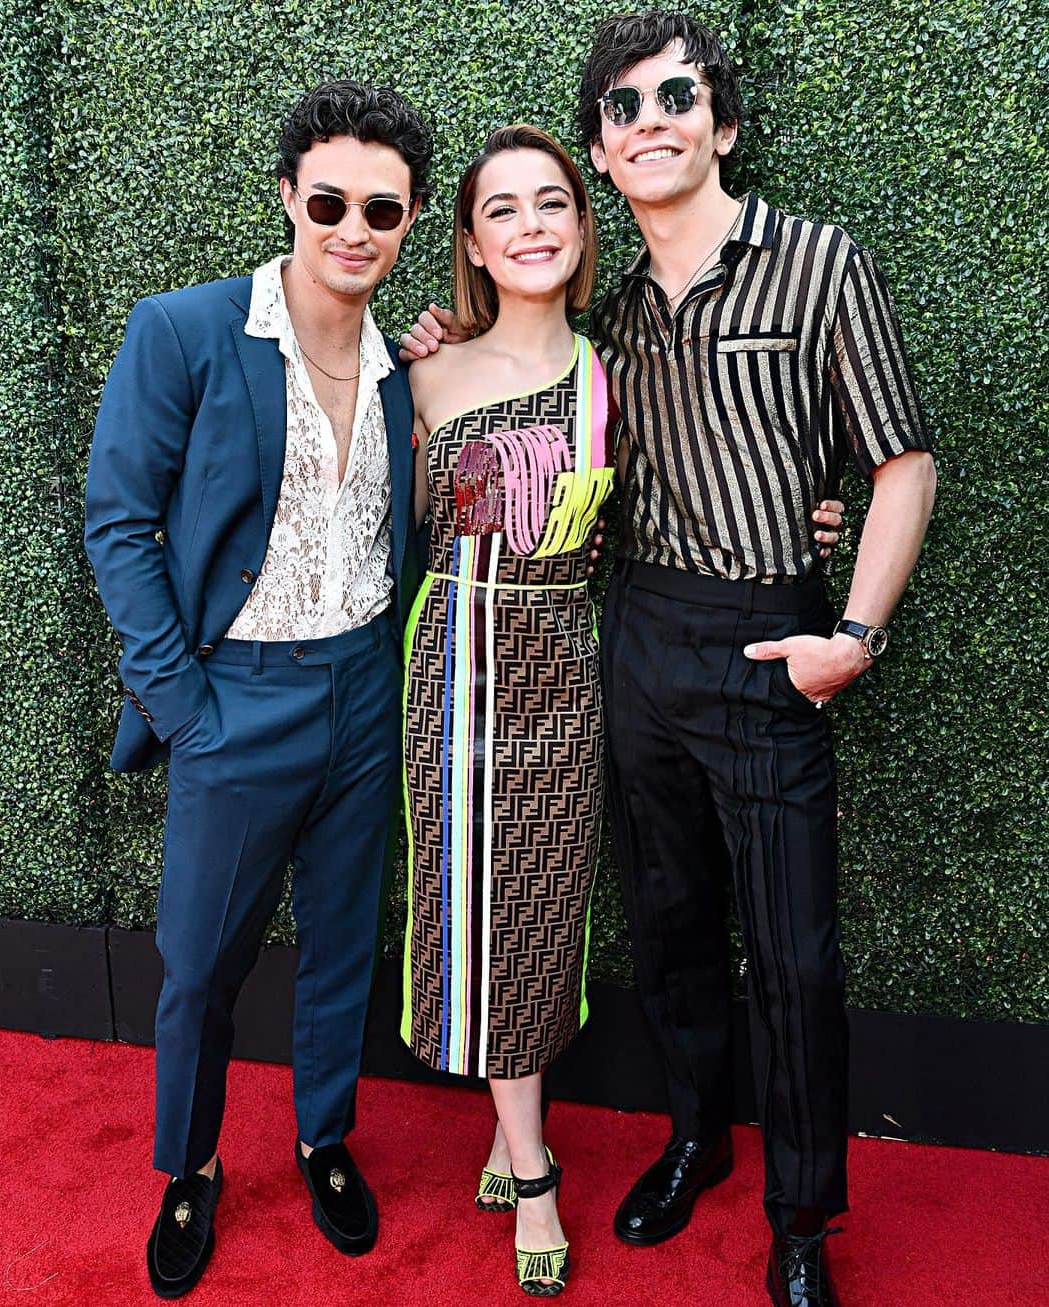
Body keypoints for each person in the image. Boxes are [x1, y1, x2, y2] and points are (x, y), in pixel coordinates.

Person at [401, 12, 935, 1305]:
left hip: (772, 643)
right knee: (672, 925)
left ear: (722, 123)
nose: (654, 119)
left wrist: (850, 634)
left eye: (678, 95)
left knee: (796, 951)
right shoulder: (604, 322)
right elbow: (532, 432)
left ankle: (801, 1221)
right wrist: (438, 359)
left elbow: (902, 459)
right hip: (633, 641)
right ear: (603, 151)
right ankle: (696, 1133)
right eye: (625, 106)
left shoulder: (818, 263)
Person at [84, 80, 432, 1297]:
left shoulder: (405, 369)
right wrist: (184, 707)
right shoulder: (184, 331)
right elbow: (119, 520)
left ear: (407, 220)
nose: (353, 228)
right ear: (288, 197)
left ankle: (323, 1136)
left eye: (380, 209)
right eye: (329, 199)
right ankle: (190, 1164)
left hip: (361, 692)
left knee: (343, 945)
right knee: (198, 963)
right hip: (234, 696)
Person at [401, 124, 616, 1297]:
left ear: (582, 230)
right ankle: (534, 1168)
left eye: (553, 204)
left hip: (563, 662)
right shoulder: (421, 372)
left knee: (540, 901)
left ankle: (508, 1124)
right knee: (465, 893)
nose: (531, 225)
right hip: (452, 663)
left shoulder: (614, 372)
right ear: (475, 245)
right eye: (504, 211)